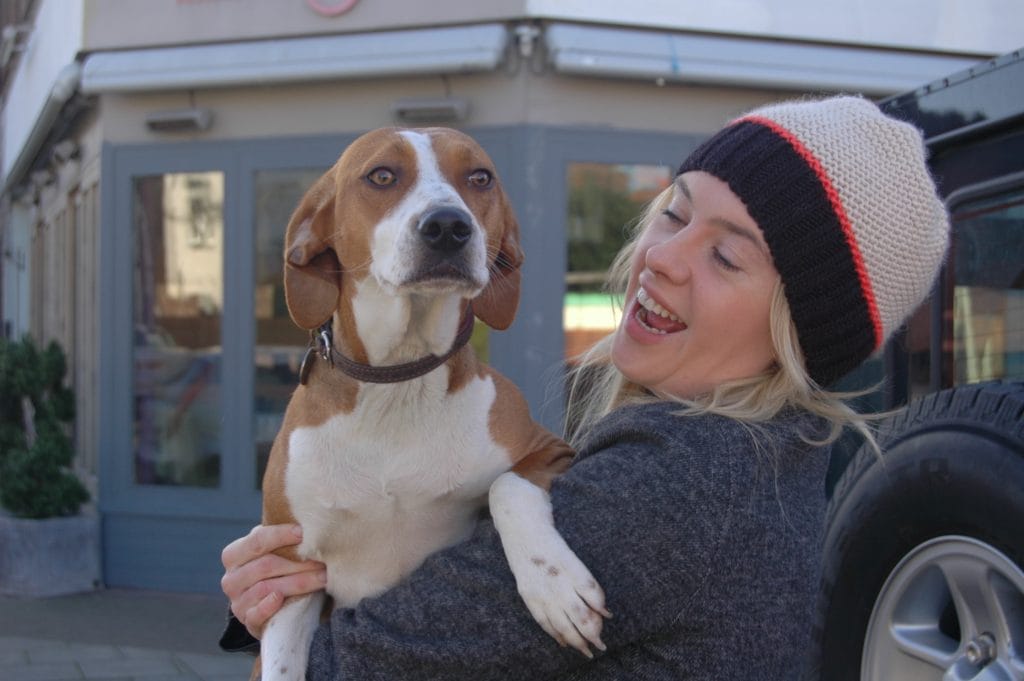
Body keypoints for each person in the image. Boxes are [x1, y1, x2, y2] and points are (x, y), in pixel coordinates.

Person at [219, 96, 949, 679]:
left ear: (797, 329)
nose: (663, 257)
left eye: (726, 255)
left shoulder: (676, 484)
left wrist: (270, 623)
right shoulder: (771, 458)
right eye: (675, 210)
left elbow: (356, 664)